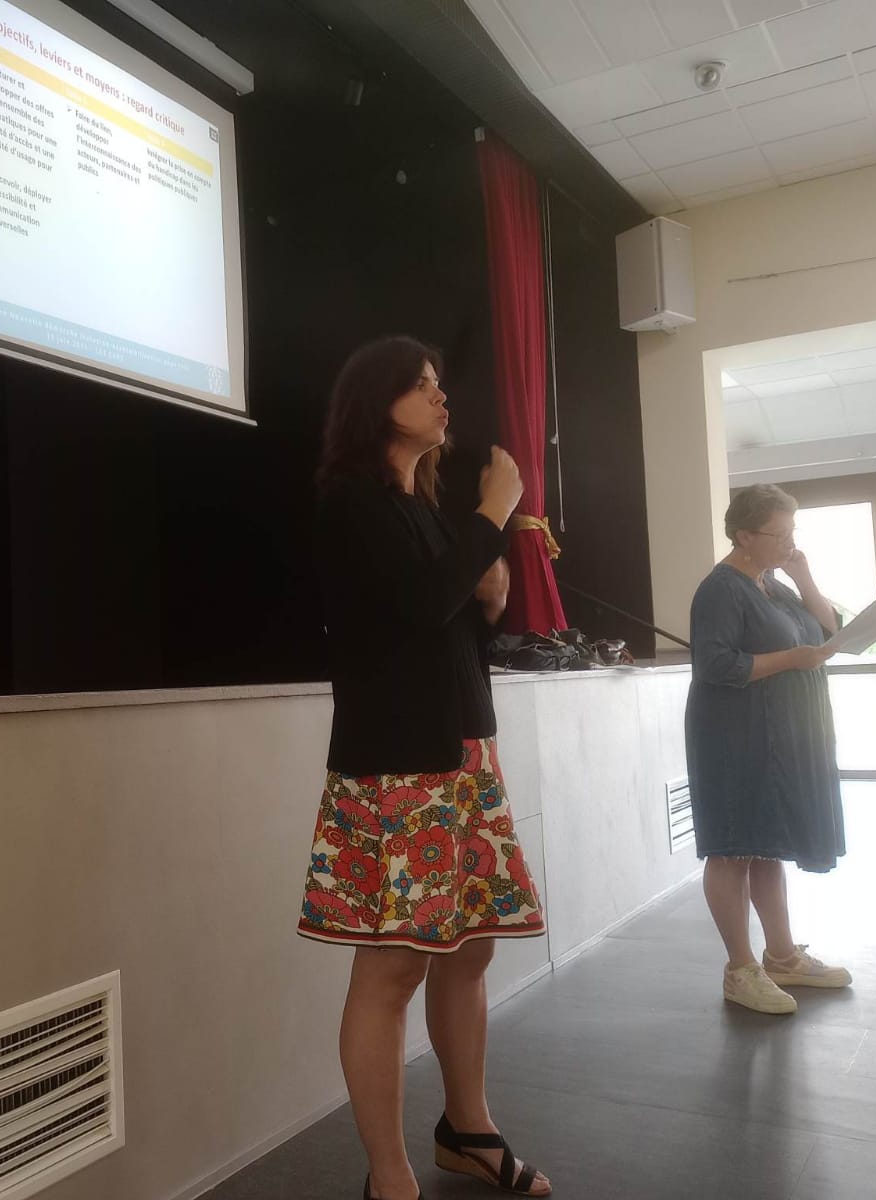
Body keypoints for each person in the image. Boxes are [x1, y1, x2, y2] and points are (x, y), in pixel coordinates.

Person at [297, 336, 551, 1200]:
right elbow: (413, 606)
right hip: (396, 767)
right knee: (394, 966)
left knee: (470, 948)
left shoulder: (425, 511)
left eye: (441, 385)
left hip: (461, 752)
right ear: (377, 402)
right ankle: (389, 1174)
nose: (443, 399)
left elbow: (444, 628)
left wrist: (490, 601)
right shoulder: (349, 504)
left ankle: (466, 1131)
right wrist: (495, 511)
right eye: (422, 385)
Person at [685, 483, 854, 1016]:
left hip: (777, 733)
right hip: (733, 734)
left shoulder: (774, 584)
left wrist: (803, 576)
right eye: (779, 534)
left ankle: (781, 956)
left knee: (765, 842)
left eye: (792, 532)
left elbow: (829, 629)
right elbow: (717, 665)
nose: (789, 542)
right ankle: (740, 969)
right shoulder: (721, 589)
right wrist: (790, 659)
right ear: (744, 535)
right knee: (733, 845)